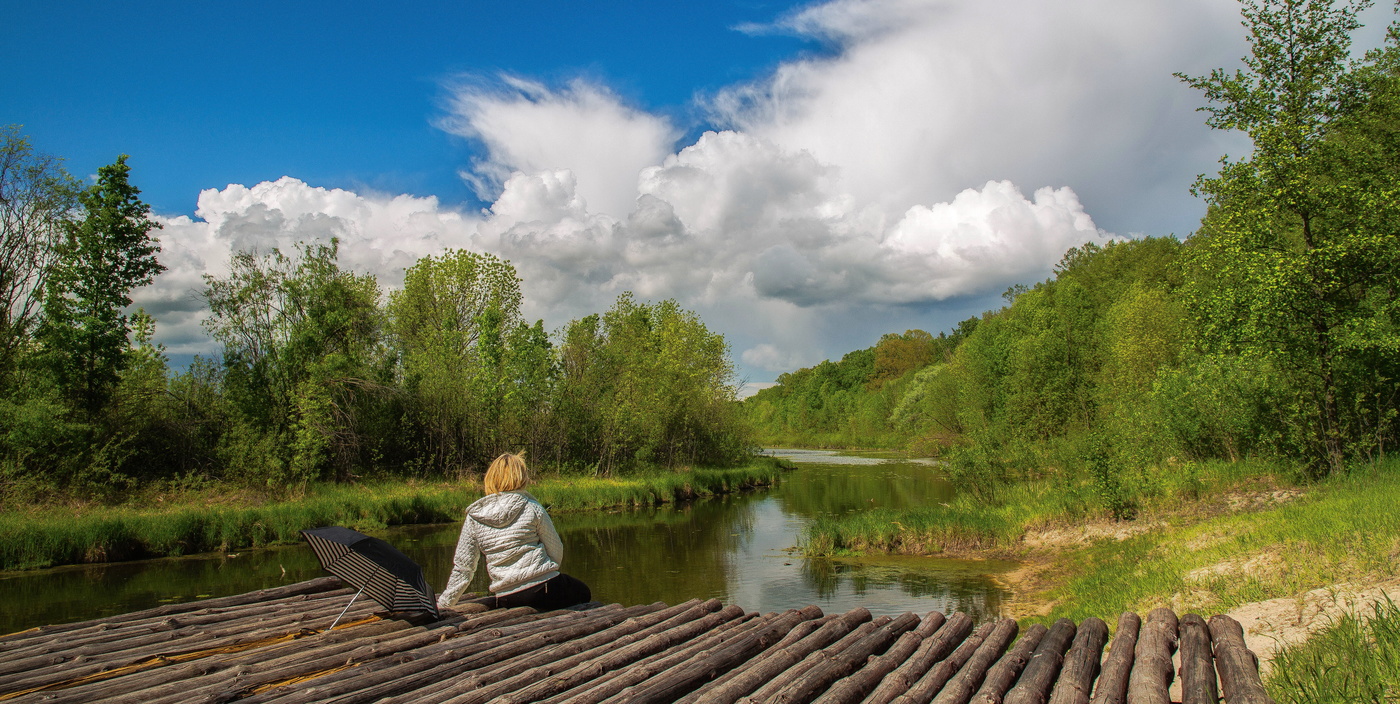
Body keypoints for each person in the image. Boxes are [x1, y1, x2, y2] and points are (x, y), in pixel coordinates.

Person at [437, 452, 592, 611]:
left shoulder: (475, 517)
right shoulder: (532, 506)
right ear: (521, 477)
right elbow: (556, 549)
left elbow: (463, 568)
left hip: (507, 597)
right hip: (544, 589)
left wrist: (444, 604)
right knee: (583, 591)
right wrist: (546, 571)